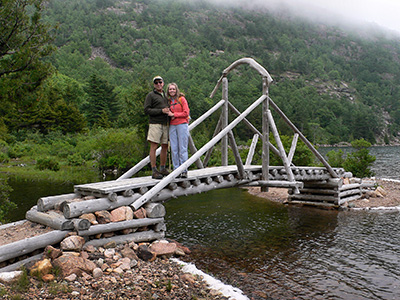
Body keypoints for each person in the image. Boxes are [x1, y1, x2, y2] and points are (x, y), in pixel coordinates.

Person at [144, 76, 171, 179]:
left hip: (166, 124)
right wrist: (161, 111)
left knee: (165, 146)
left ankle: (163, 168)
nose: (159, 84)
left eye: (160, 82)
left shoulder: (165, 95)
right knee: (154, 146)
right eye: (156, 83)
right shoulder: (150, 95)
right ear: (154, 85)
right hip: (155, 124)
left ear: (163, 83)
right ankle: (154, 170)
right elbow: (146, 110)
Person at [166, 82, 190, 178]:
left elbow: (186, 113)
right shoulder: (168, 101)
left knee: (182, 148)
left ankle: (184, 170)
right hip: (172, 125)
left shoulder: (181, 99)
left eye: (173, 89)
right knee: (174, 148)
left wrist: (174, 115)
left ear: (176, 90)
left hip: (182, 125)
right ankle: (176, 170)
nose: (172, 91)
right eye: (170, 89)